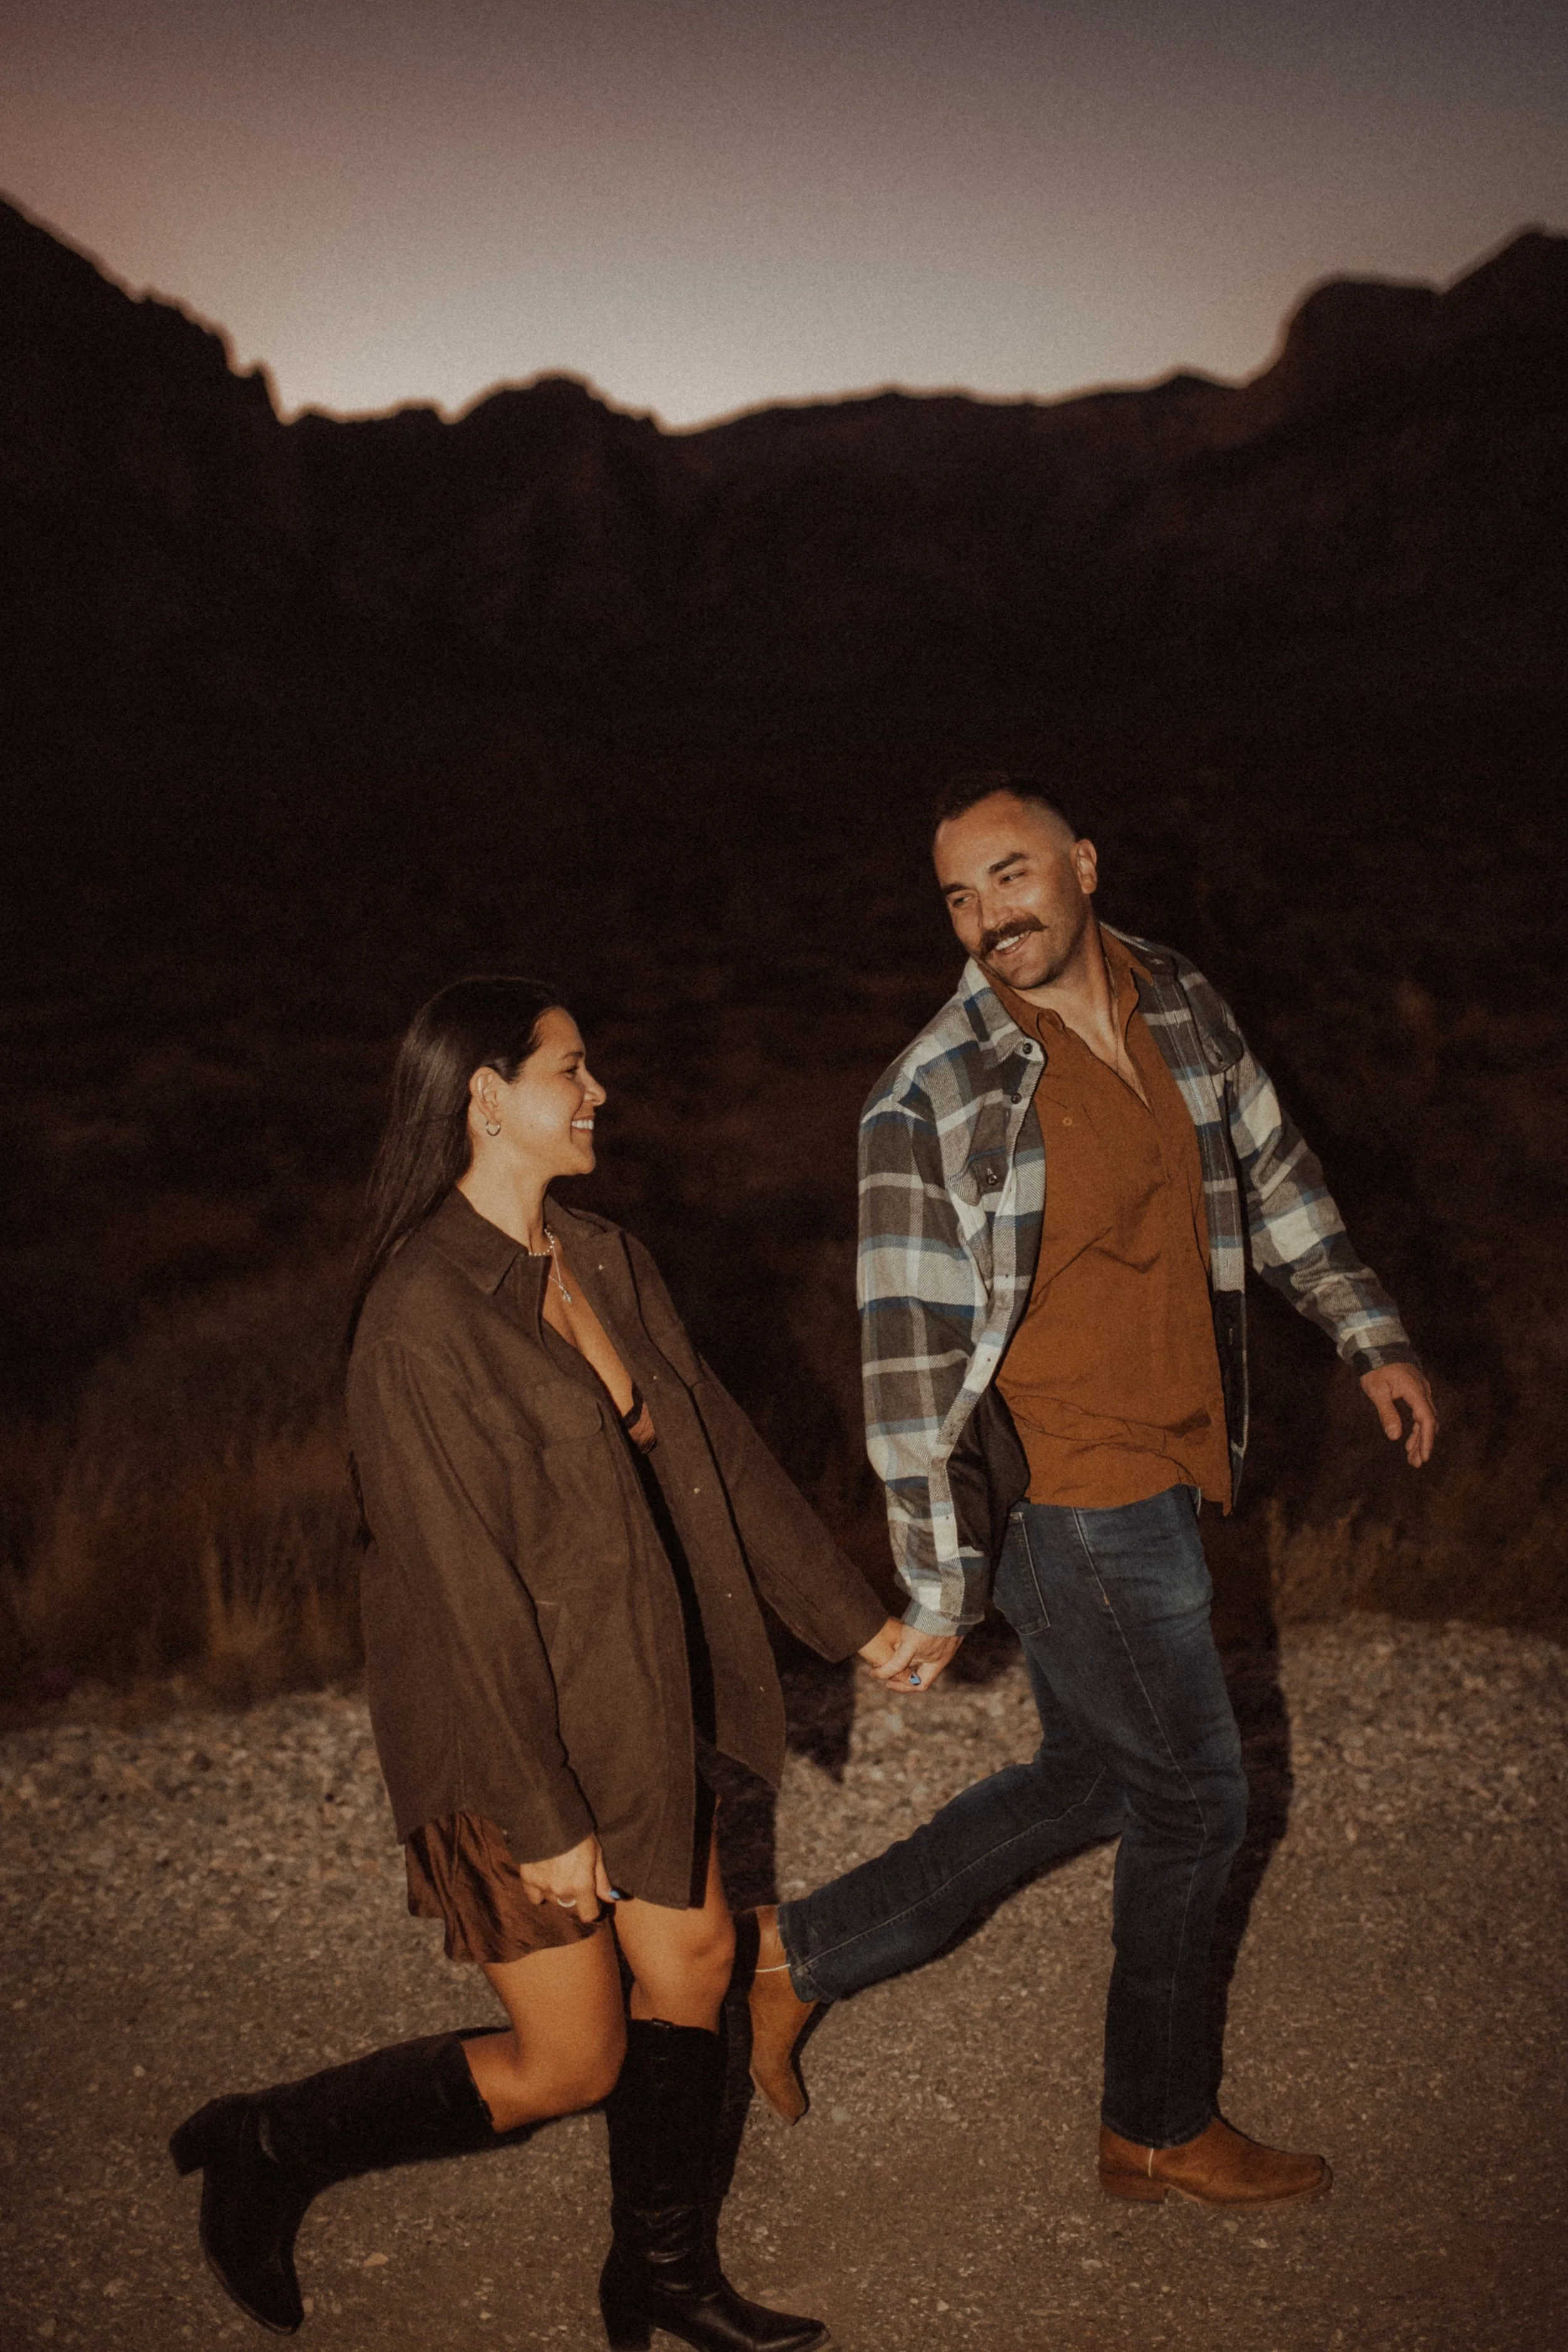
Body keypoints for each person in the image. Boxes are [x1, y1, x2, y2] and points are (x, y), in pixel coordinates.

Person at [170, 975, 903, 2349]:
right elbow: (460, 1600)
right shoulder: (418, 1322)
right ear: (485, 1097)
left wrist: (852, 1621)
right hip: (501, 1738)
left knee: (689, 1964)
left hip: (627, 1698)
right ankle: (271, 2146)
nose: (598, 1092)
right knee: (572, 2063)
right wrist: (548, 1819)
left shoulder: (601, 1255)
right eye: (572, 1069)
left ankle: (664, 2282)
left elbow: (713, 1452)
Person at [744, 775, 1438, 2208]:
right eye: (957, 895)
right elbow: (904, 1369)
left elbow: (1271, 1173)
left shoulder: (1175, 997)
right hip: (1070, 1493)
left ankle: (793, 1954)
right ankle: (1157, 2125)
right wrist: (939, 1586)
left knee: (1089, 1776)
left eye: (1008, 877)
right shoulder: (925, 1095)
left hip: (1181, 1450)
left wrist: (1365, 1331)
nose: (987, 916)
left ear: (1081, 866)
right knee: (1195, 1804)